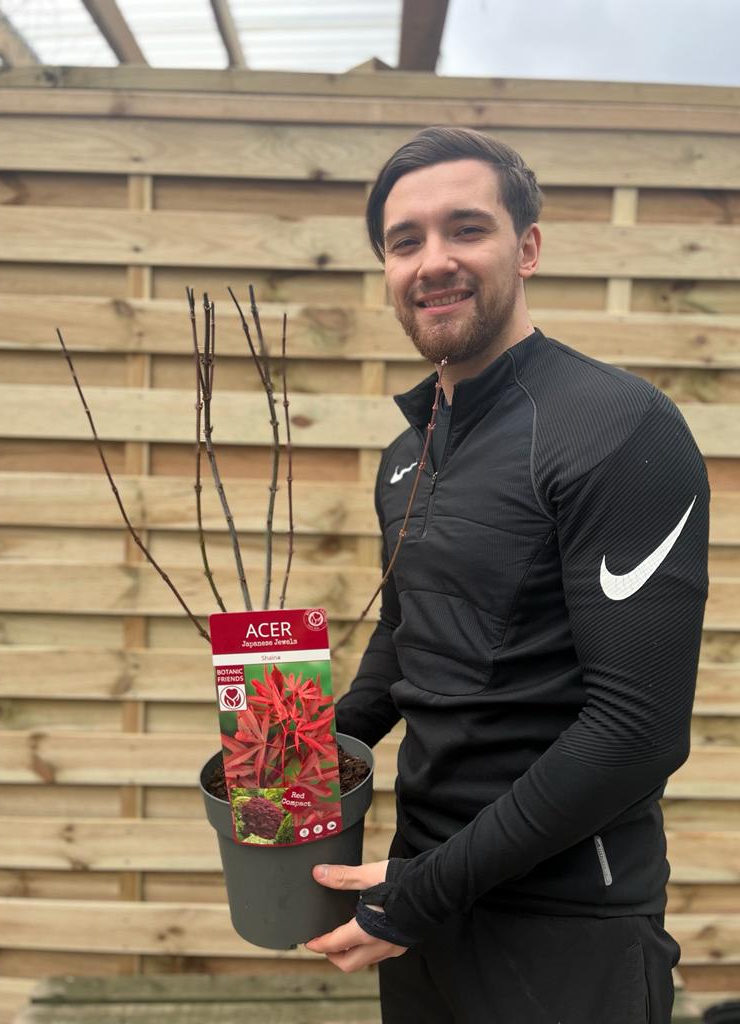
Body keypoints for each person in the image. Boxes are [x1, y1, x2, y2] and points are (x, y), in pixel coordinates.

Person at [305, 126, 710, 1024]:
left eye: (466, 229)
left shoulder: (618, 428)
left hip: (568, 928)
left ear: (526, 247)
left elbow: (637, 732)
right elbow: (410, 636)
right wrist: (299, 753)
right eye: (404, 241)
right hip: (420, 903)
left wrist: (422, 891)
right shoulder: (410, 455)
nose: (432, 261)